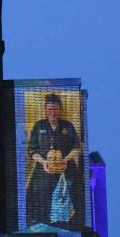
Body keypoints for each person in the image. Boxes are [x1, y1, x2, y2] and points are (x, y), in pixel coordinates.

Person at [26, 93, 80, 226]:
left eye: (55, 109)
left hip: (66, 169)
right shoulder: (39, 126)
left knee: (68, 198)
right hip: (43, 169)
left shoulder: (68, 126)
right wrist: (44, 162)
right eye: (49, 109)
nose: (52, 112)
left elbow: (76, 148)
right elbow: (32, 150)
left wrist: (65, 160)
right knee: (40, 197)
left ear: (60, 109)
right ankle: (42, 227)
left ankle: (63, 227)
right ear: (45, 109)